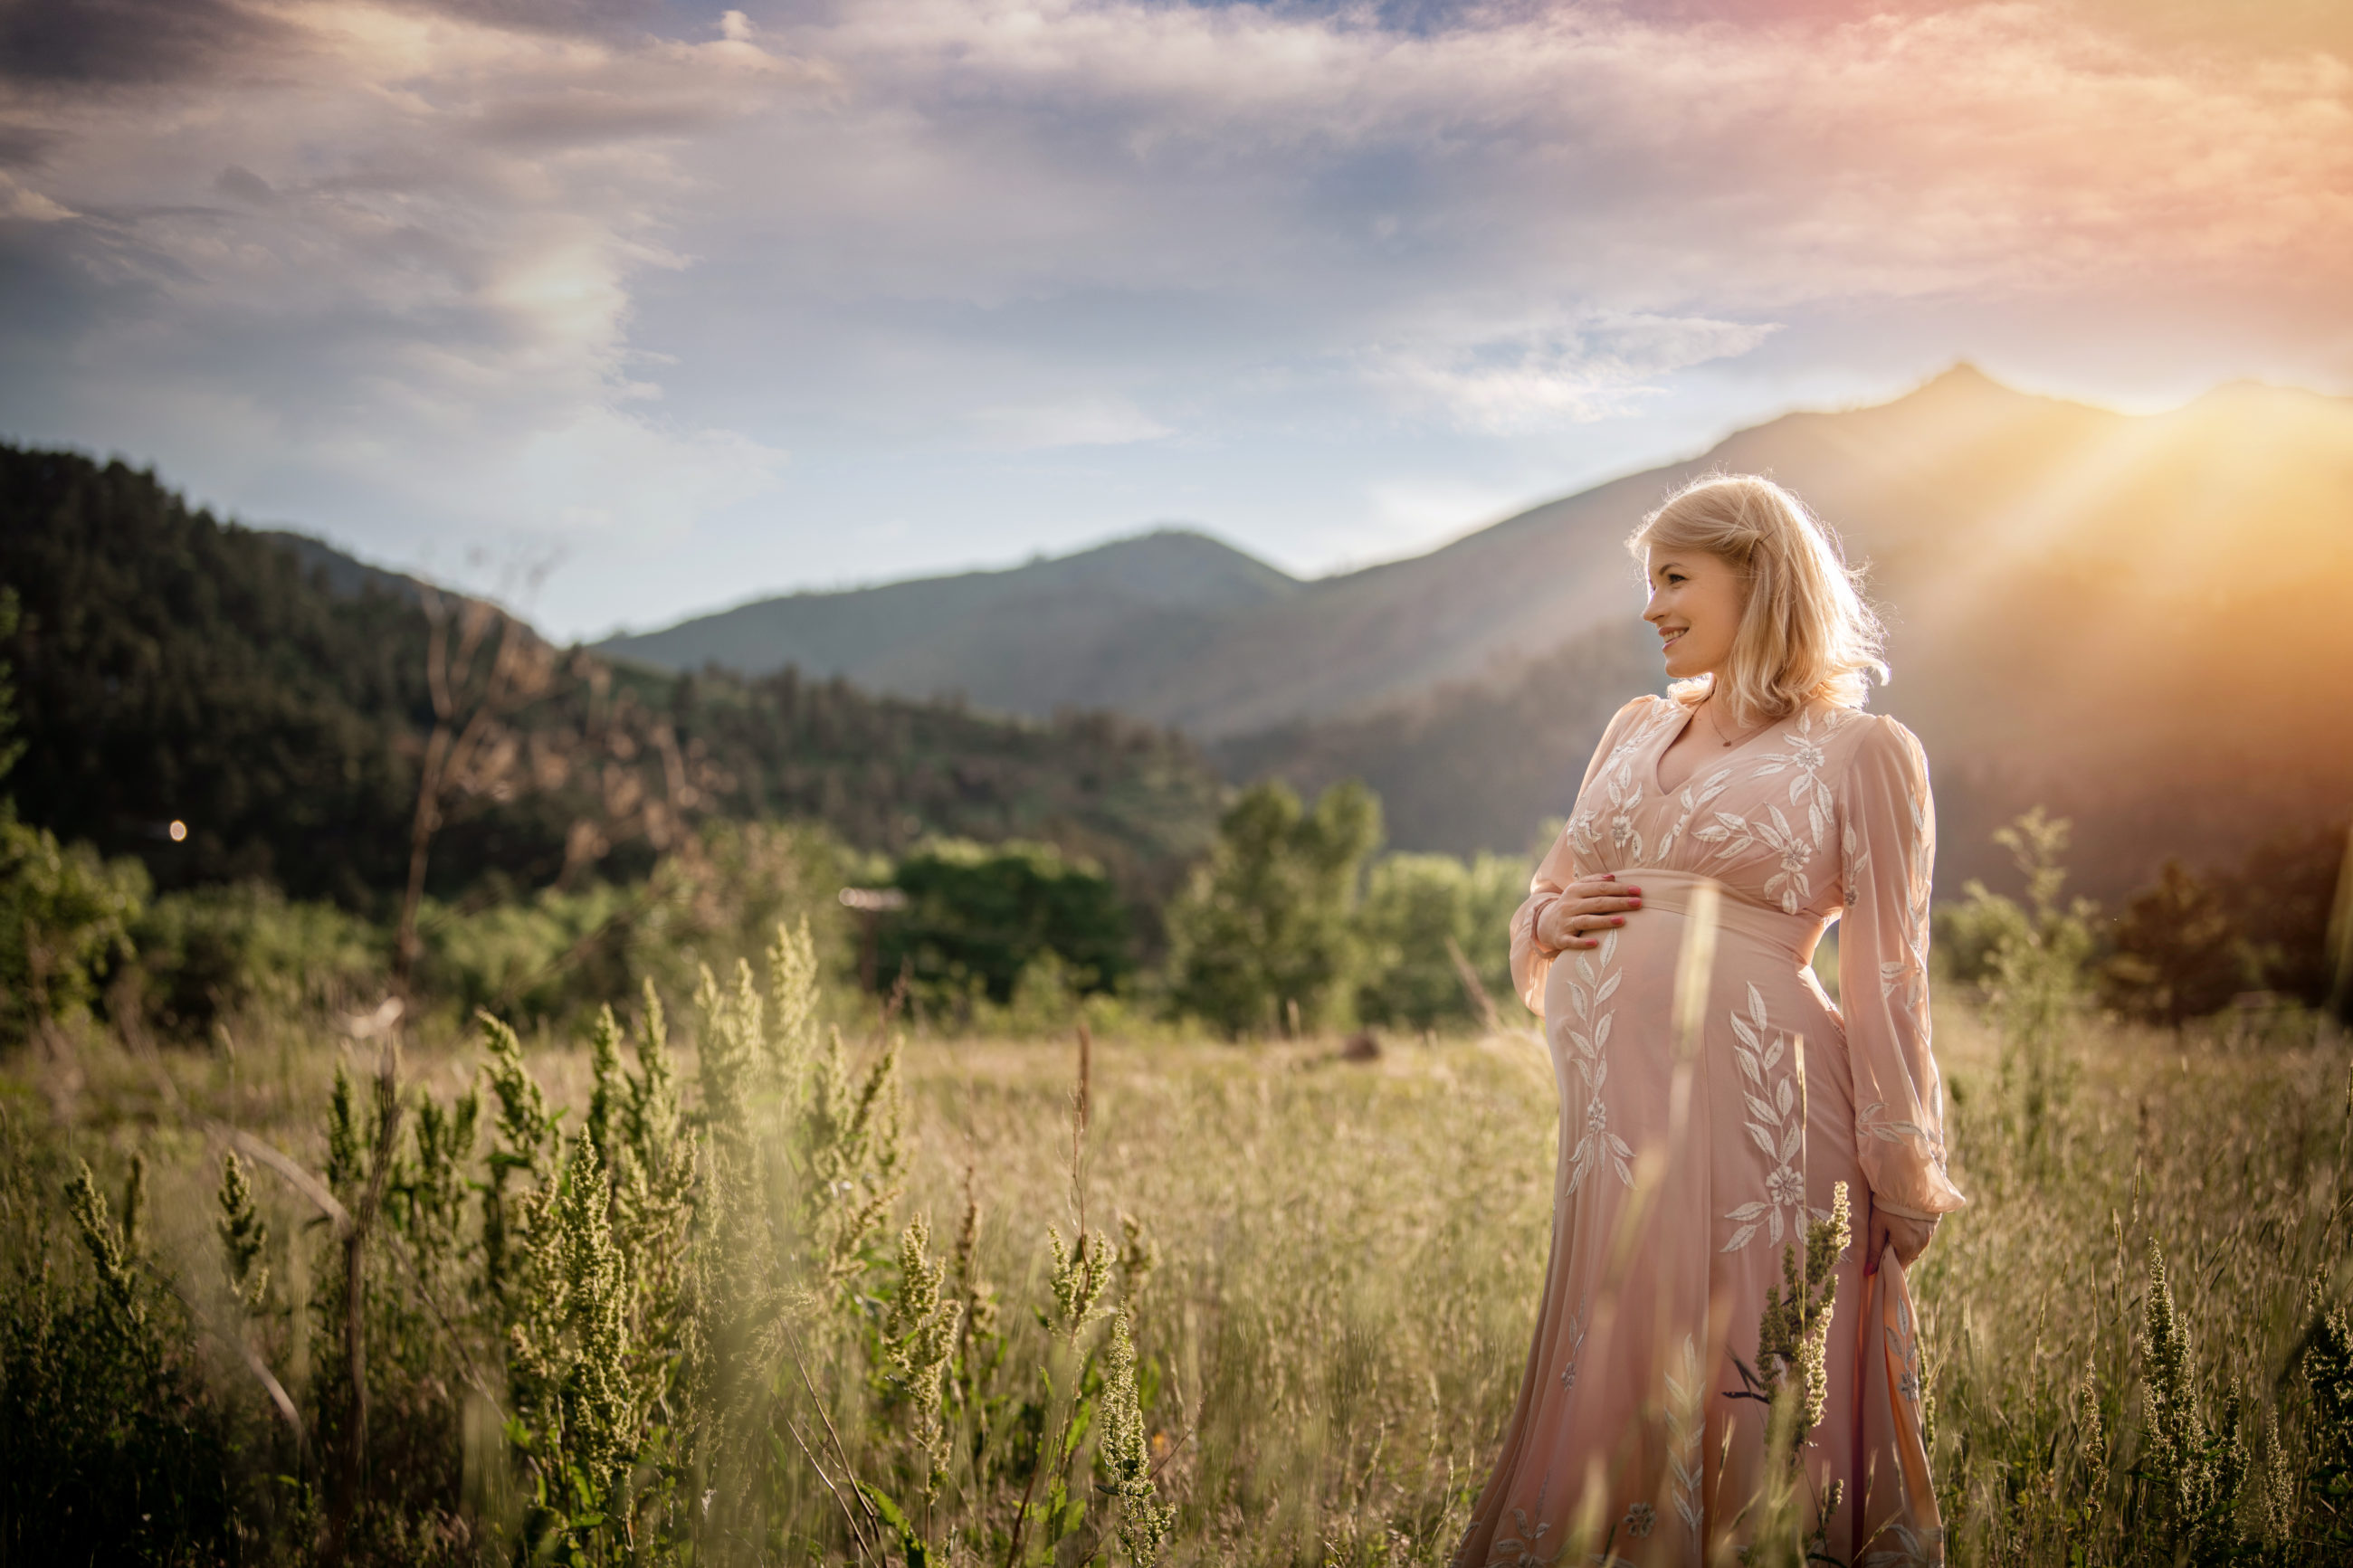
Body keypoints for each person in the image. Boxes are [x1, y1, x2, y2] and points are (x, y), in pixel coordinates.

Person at [1451, 474, 1964, 1567]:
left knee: (1753, 1373)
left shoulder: (1862, 751)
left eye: (1674, 578)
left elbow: (1888, 976)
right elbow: (1549, 886)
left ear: (1758, 575)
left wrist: (1900, 1162)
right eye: (1650, 582)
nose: (1651, 608)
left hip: (1769, 1127)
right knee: (1618, 1361)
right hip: (1609, 1134)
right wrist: (1546, 913)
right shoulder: (1632, 728)